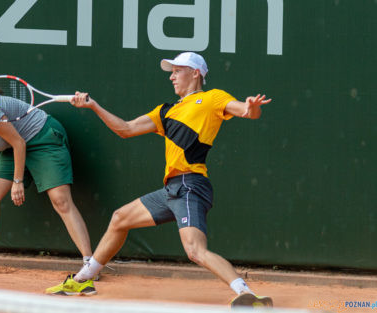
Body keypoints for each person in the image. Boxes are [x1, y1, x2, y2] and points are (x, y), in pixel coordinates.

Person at [45, 52, 273, 307]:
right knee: (120, 218)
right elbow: (126, 129)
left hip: (191, 185)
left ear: (195, 73)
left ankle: (248, 295)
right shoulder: (166, 111)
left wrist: (251, 108)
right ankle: (84, 278)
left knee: (195, 250)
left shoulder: (211, 98)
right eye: (171, 72)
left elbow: (244, 110)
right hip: (172, 189)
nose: (172, 77)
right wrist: (93, 106)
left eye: (177, 71)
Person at [0, 72, 93, 273]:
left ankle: (90, 263)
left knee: (61, 200)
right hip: (15, 145)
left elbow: (18, 142)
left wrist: (17, 181)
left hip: (42, 138)